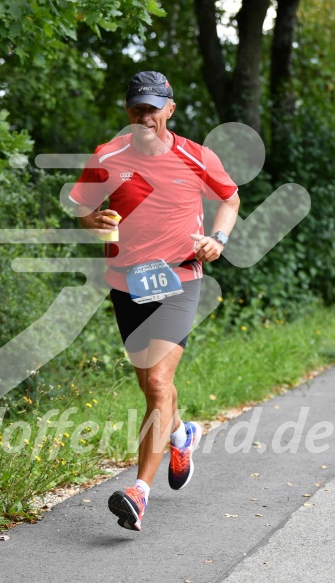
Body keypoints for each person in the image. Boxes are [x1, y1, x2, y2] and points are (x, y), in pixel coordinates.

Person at [69, 71, 240, 532]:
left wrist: (218, 238)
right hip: (127, 283)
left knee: (160, 381)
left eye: (152, 107)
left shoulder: (194, 155)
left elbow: (230, 196)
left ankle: (138, 492)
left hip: (180, 278)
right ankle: (182, 434)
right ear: (128, 111)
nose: (144, 116)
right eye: (136, 108)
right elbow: (82, 208)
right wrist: (94, 220)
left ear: (170, 108)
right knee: (151, 387)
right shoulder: (108, 156)